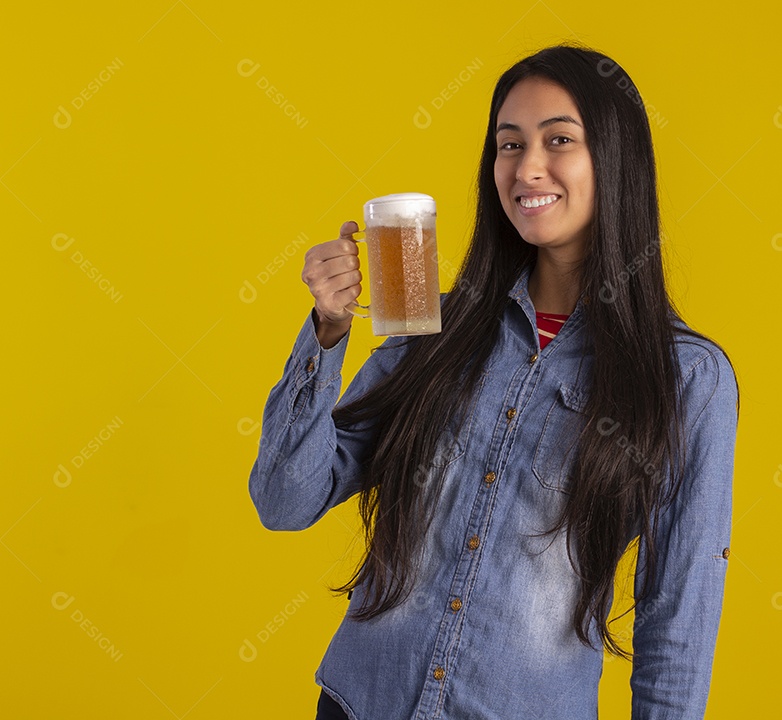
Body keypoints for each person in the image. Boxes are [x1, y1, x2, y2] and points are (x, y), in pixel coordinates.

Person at [249, 43, 739, 720]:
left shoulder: (687, 378)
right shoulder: (436, 327)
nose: (527, 166)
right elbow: (284, 500)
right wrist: (327, 333)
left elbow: (678, 614)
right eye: (508, 145)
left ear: (615, 159)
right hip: (361, 704)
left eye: (558, 140)